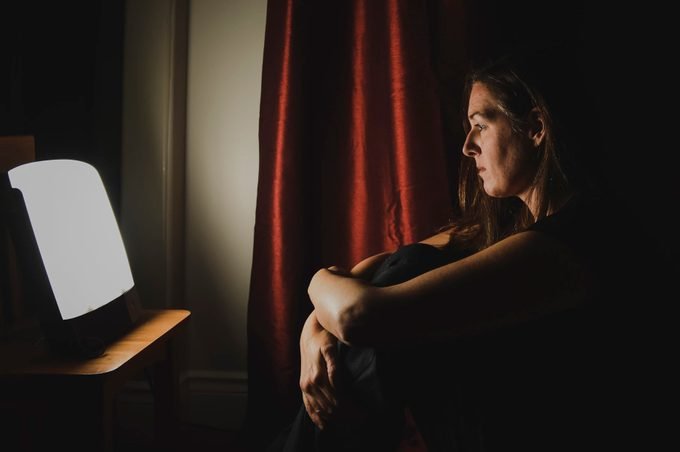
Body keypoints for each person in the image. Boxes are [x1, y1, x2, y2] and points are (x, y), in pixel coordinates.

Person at [271, 45, 665, 452]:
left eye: (481, 124)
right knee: (410, 264)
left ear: (534, 127)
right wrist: (312, 331)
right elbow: (369, 272)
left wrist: (318, 283)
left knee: (403, 285)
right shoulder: (504, 227)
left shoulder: (578, 241)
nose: (467, 146)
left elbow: (359, 314)